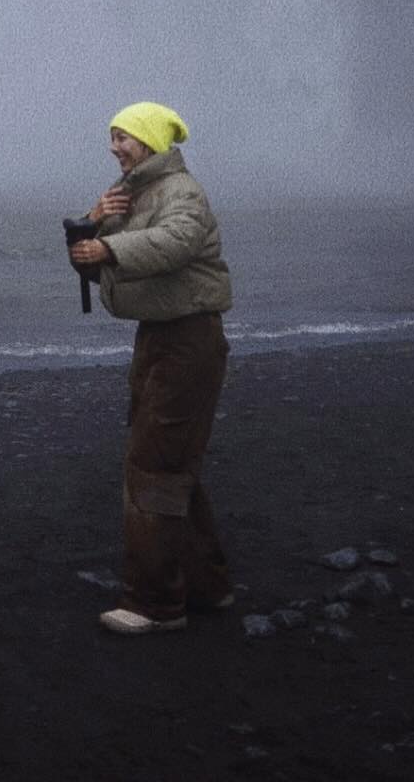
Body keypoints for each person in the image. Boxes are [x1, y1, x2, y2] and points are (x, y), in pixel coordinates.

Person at [67, 100, 233, 635]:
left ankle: (155, 604)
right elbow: (100, 264)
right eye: (112, 137)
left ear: (151, 141)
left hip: (188, 339)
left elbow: (175, 242)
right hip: (160, 336)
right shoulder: (136, 195)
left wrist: (108, 246)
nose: (115, 147)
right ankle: (206, 585)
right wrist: (95, 223)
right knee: (172, 463)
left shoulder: (181, 193)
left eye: (124, 137)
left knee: (154, 466)